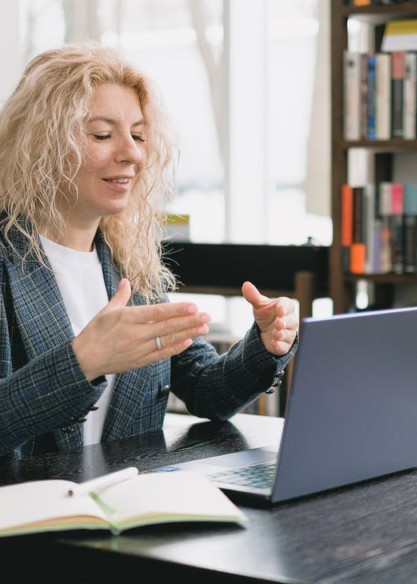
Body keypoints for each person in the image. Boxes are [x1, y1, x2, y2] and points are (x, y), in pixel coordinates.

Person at [0, 43, 299, 460]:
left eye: (138, 135)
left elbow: (205, 388)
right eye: (103, 135)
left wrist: (265, 344)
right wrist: (82, 362)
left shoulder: (128, 263)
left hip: (133, 510)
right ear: (41, 144)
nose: (134, 154)